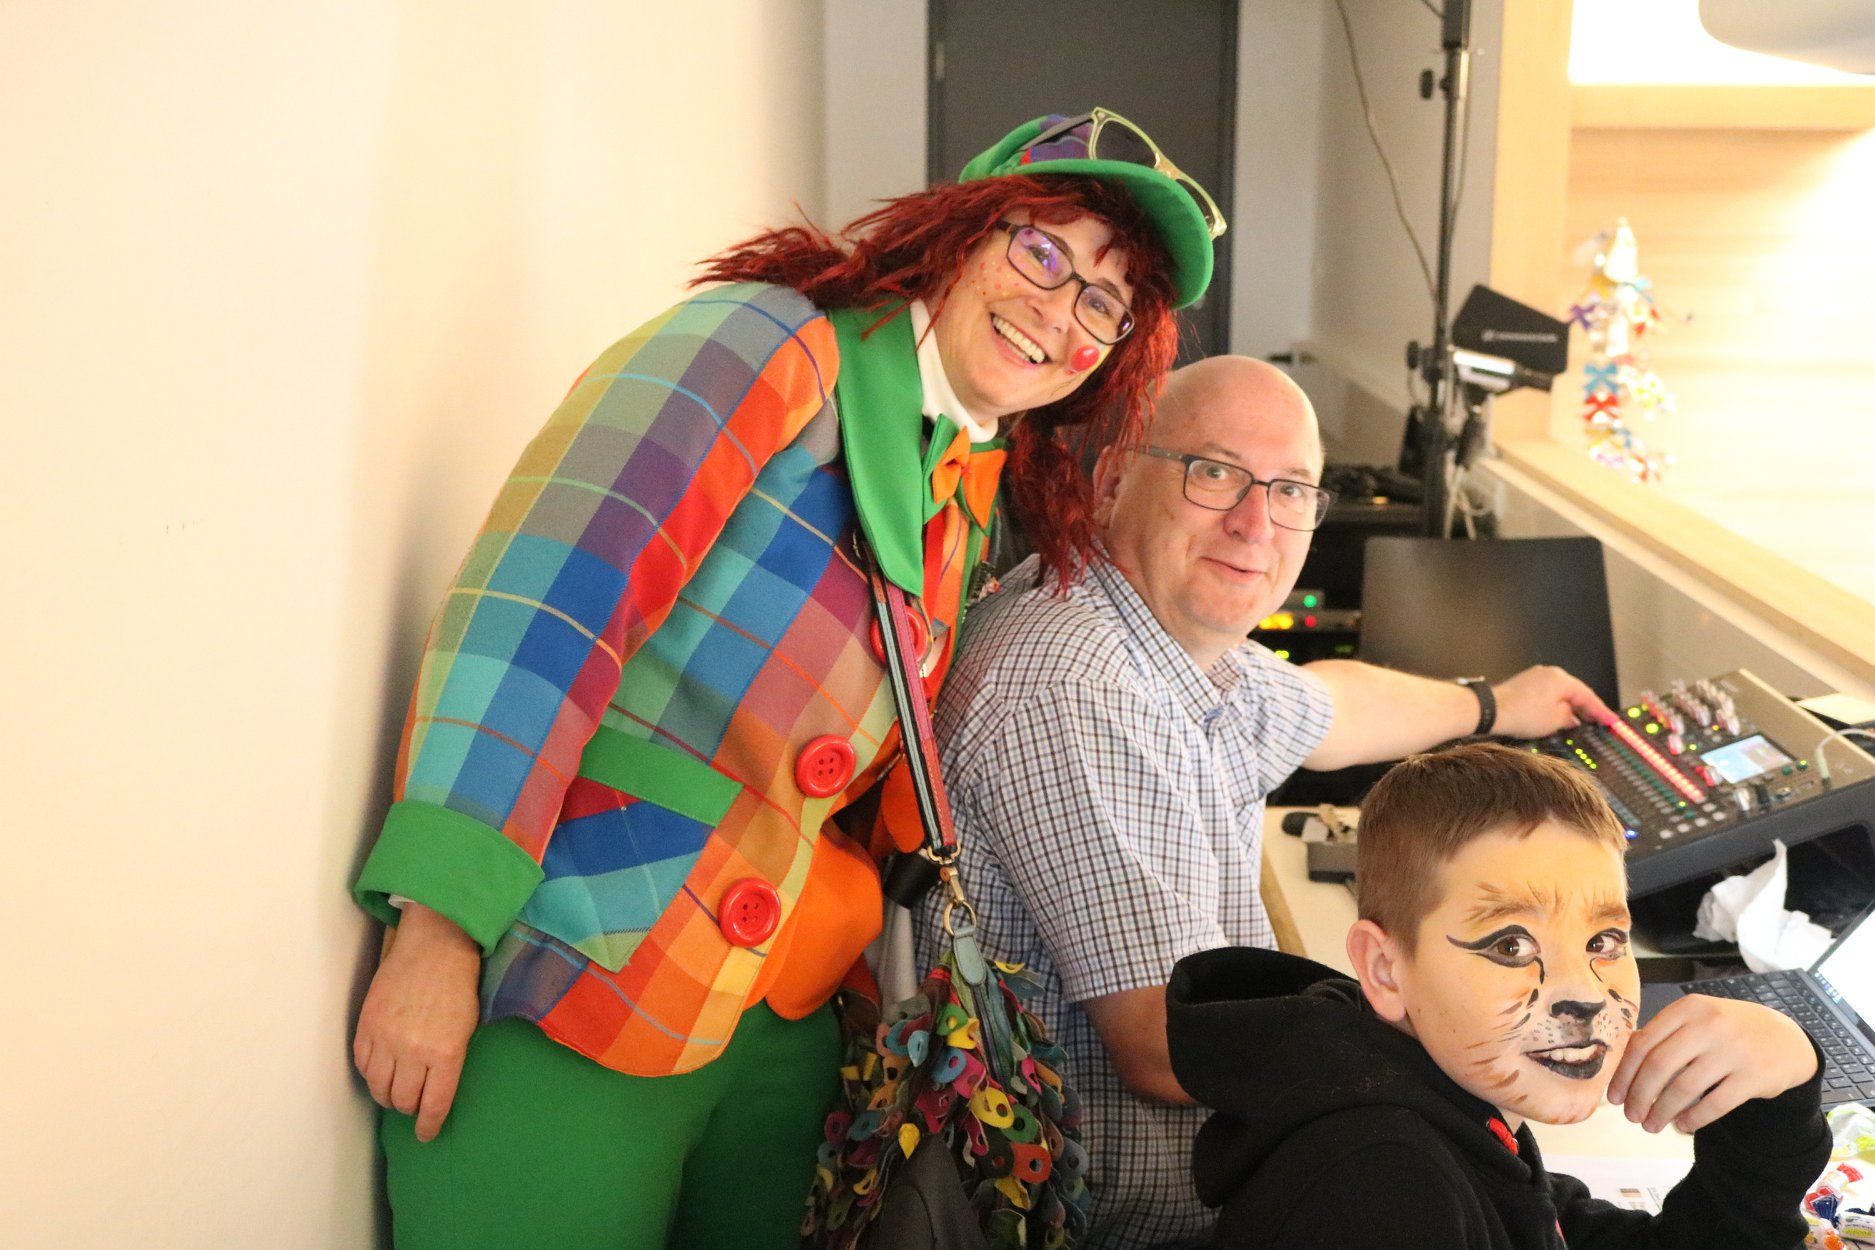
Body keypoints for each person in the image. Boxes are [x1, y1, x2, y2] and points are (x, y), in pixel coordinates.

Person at [346, 109, 1224, 1250]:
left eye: (1104, 302)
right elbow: (546, 604)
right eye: (1041, 250)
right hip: (585, 964)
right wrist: (440, 923)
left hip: (781, 1017)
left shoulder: (968, 470)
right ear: (960, 230)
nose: (1060, 313)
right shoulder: (772, 343)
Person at [916, 354, 1615, 1248]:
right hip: (1122, 1234)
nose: (1256, 523)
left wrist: (1498, 704)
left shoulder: (1165, 640)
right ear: (1113, 479)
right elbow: (1166, 1043)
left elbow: (1332, 710)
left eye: (1290, 491)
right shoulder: (1076, 682)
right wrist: (1450, 1020)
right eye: (1214, 473)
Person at [1166, 742, 1830, 1249]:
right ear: (1386, 970)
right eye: (1510, 946)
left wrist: (1777, 1094)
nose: (1584, 994)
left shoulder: (1459, 1113)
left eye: (1603, 940)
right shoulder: (1383, 1181)